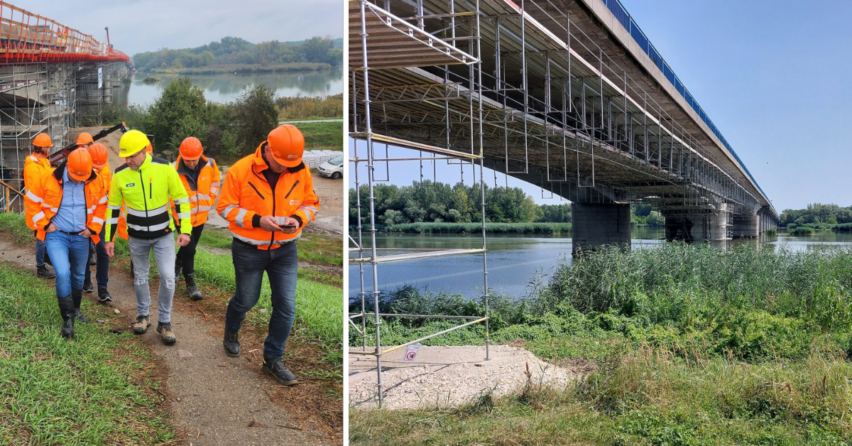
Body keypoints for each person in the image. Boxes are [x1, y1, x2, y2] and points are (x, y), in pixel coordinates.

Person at [217, 125, 319, 386]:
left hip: (285, 250)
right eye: (281, 161)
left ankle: (272, 360)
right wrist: (256, 220)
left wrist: (298, 219)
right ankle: (231, 332)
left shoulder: (300, 169)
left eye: (290, 162)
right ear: (268, 150)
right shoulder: (240, 170)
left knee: (286, 306)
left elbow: (311, 203)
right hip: (248, 250)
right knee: (246, 300)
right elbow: (224, 207)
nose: (285, 167)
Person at [104, 131, 191, 346]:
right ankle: (143, 316)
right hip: (137, 238)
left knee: (168, 276)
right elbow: (112, 208)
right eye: (125, 156)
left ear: (144, 151)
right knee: (141, 277)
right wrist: (109, 238)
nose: (128, 160)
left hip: (163, 236)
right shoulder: (120, 174)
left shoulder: (164, 168)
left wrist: (185, 230)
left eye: (131, 155)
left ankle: (165, 322)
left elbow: (181, 198)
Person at [25, 149, 107, 338]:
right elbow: (31, 201)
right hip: (57, 235)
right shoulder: (48, 178)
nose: (79, 180)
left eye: (83, 176)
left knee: (78, 276)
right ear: (67, 166)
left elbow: (102, 206)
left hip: (81, 236)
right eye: (75, 176)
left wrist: (93, 228)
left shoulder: (95, 180)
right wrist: (45, 224)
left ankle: (76, 309)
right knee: (62, 273)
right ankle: (68, 318)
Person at [171, 137, 221, 300]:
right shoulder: (172, 170)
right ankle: (190, 282)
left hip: (201, 216)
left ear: (200, 154)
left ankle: (177, 265)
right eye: (187, 160)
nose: (191, 163)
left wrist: (211, 199)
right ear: (181, 156)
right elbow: (169, 195)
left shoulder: (211, 165)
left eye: (194, 160)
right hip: (183, 218)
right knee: (190, 249)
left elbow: (215, 182)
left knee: (188, 248)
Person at [23, 133, 56, 279]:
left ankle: (44, 260)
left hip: (45, 207)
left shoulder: (44, 162)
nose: (49, 149)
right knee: (41, 239)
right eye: (48, 147)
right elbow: (34, 193)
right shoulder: (32, 168)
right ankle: (40, 267)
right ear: (43, 148)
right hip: (38, 209)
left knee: (44, 238)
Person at [83, 143, 113, 302]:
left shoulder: (107, 172)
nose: (98, 169)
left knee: (102, 250)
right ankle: (85, 280)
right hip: (83, 220)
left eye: (100, 166)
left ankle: (103, 288)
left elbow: (107, 197)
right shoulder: (82, 171)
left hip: (100, 219)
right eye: (96, 167)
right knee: (85, 251)